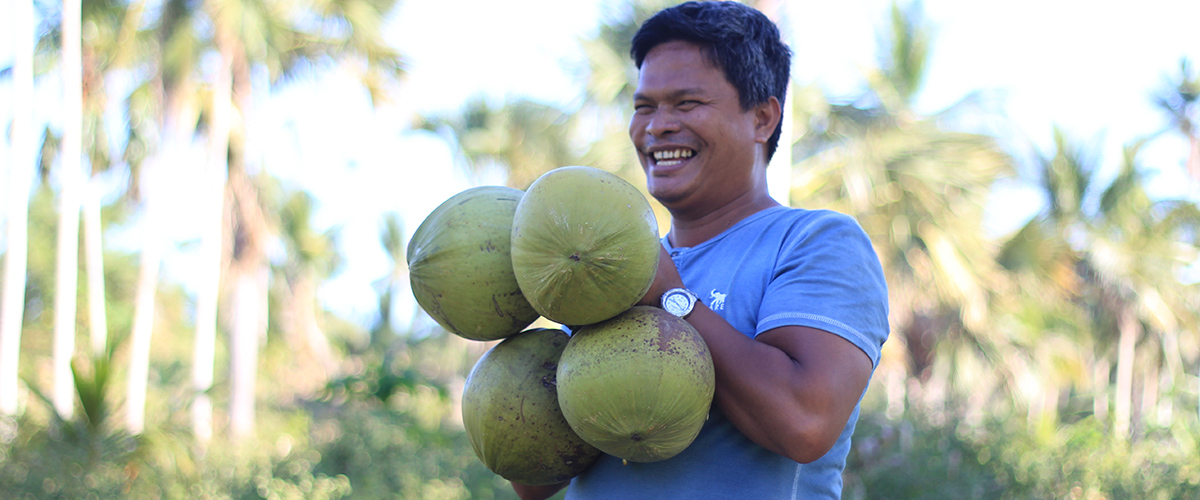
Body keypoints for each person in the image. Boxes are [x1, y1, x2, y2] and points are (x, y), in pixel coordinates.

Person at [514, 2, 889, 499]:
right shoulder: (606, 272)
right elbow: (534, 481)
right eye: (644, 107)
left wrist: (671, 299)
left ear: (762, 117)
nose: (658, 125)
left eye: (686, 103)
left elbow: (805, 421)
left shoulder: (816, 242)